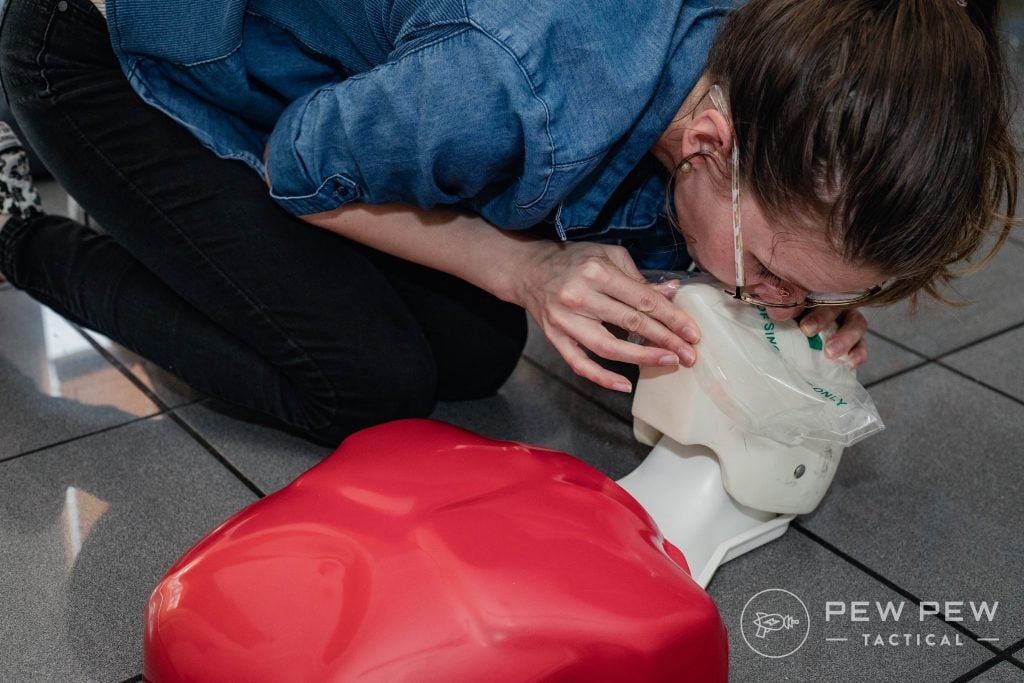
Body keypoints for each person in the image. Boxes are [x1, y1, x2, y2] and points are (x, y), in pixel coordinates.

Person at [0, 0, 1016, 445]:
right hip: (111, 54)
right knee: (361, 379)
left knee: (472, 353)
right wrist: (524, 271)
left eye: (828, 293)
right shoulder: (512, 76)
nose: (782, 301)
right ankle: (19, 225)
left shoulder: (762, 64)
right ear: (709, 141)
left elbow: (699, 231)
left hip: (317, 67)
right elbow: (298, 160)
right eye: (777, 273)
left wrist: (800, 309)